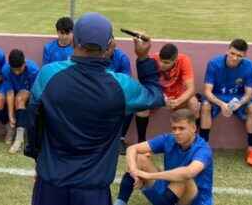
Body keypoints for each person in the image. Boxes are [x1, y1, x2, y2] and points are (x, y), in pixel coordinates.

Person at [25, 12, 165, 205]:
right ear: (110, 47)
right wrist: (143, 58)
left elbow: (33, 123)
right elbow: (155, 96)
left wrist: (39, 162)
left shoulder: (48, 75)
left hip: (51, 183)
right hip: (92, 191)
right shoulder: (120, 86)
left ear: (74, 40)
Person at [115, 109, 213, 205]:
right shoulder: (169, 139)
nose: (177, 132)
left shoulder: (203, 149)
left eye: (181, 128)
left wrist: (148, 175)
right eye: (174, 128)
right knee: (140, 158)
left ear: (193, 128)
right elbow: (132, 149)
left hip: (195, 201)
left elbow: (189, 172)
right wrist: (134, 171)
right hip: (170, 192)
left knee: (184, 178)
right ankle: (120, 202)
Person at [199, 39, 252, 167]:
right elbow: (207, 91)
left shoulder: (250, 66)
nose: (235, 58)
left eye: (239, 56)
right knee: (205, 106)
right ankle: (203, 148)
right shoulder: (214, 63)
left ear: (245, 55)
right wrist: (221, 104)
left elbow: (249, 93)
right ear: (228, 50)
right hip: (217, 97)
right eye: (232, 53)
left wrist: (240, 103)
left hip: (238, 98)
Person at [133, 44, 198, 147]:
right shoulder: (153, 59)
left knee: (194, 103)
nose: (162, 64)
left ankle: (193, 140)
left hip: (177, 97)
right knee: (142, 105)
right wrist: (162, 99)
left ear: (175, 60)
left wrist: (178, 101)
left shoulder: (184, 60)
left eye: (166, 63)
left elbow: (191, 89)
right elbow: (145, 85)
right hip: (157, 95)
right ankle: (141, 141)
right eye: (161, 60)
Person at [1, 49, 39, 154]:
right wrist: (11, 116)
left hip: (28, 92)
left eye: (19, 69)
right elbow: (9, 92)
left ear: (24, 63)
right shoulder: (6, 70)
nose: (17, 72)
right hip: (13, 91)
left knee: (19, 98)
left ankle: (19, 139)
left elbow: (34, 92)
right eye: (14, 70)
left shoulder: (33, 69)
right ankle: (10, 129)